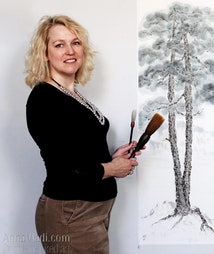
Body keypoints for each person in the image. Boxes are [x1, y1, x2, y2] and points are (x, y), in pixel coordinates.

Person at [25, 15, 141, 254]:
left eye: (75, 43)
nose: (70, 51)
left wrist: (113, 157)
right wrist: (113, 169)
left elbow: (77, 154)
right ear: (45, 53)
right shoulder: (44, 99)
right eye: (59, 45)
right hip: (71, 214)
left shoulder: (72, 94)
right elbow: (65, 170)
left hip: (90, 211)